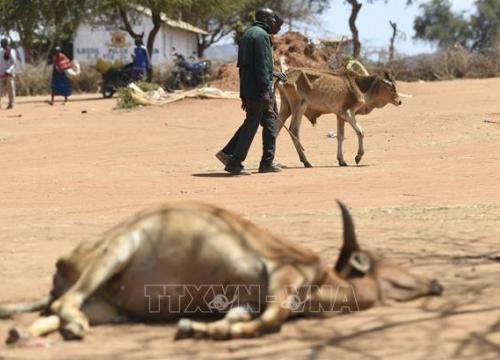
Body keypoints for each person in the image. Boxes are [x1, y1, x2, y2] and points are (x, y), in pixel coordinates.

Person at [216, 8, 287, 175]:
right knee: (251, 126)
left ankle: (267, 162)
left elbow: (250, 66)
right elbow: (260, 67)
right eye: (272, 19)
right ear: (264, 18)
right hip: (259, 91)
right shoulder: (261, 36)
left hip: (251, 88)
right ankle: (234, 162)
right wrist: (264, 91)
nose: (274, 22)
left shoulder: (249, 34)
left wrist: (273, 74)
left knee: (270, 123)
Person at [0, 38, 17, 109]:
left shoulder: (11, 51)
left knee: (10, 89)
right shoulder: (0, 51)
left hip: (9, 73)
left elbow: (14, 63)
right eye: (2, 42)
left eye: (5, 42)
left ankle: (11, 103)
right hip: (1, 72)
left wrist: (8, 70)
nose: (4, 44)